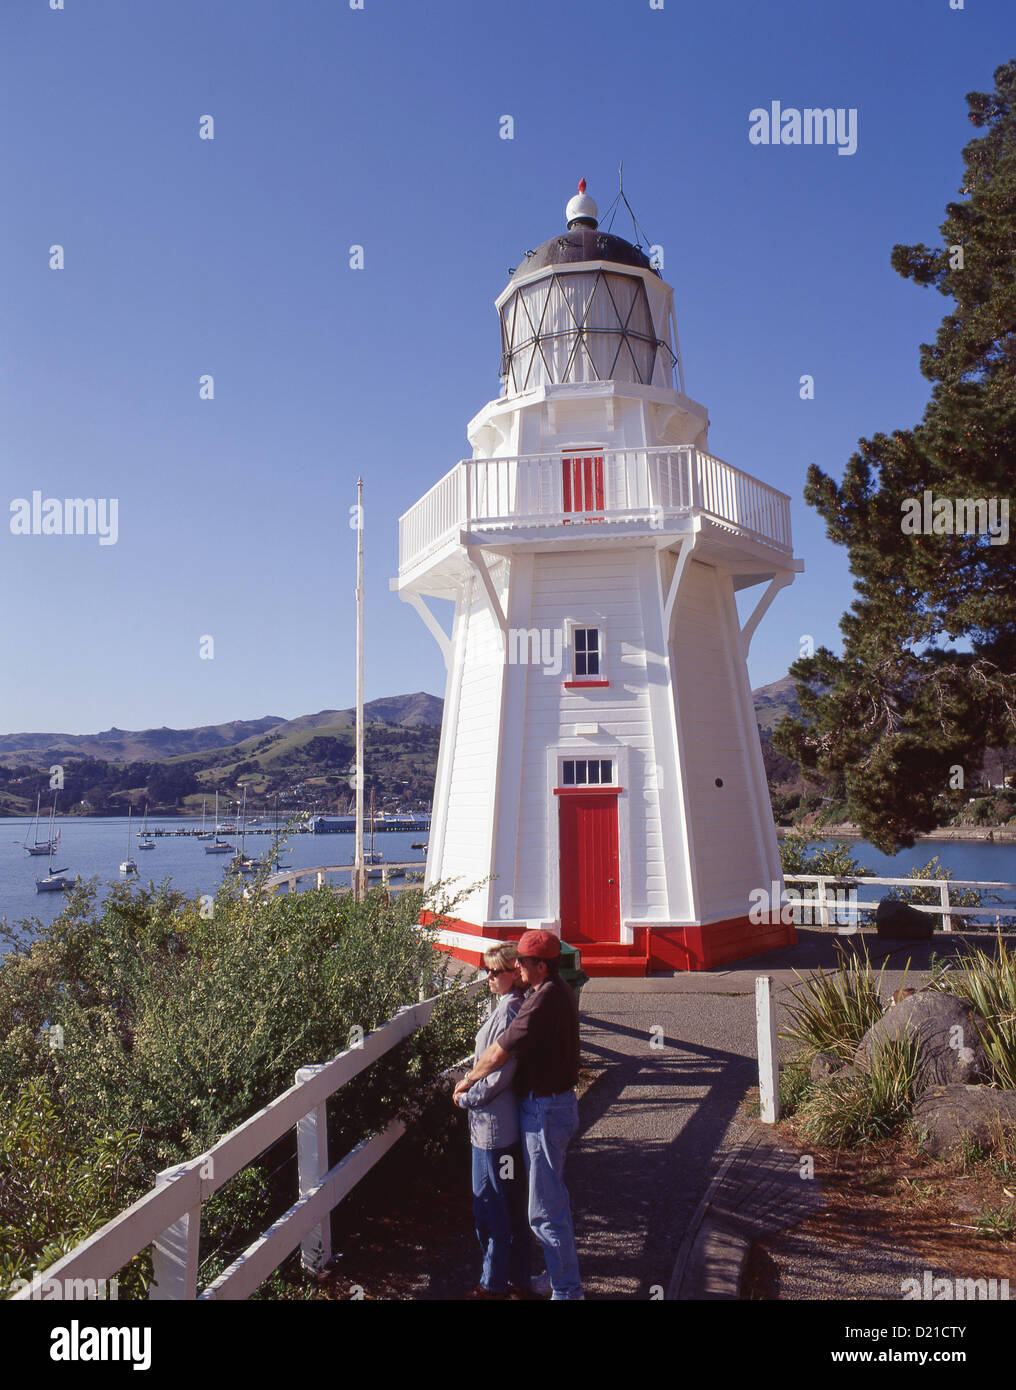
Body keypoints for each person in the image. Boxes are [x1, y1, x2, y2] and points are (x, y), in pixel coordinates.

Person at [454, 930, 582, 1300]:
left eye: (522, 962)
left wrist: (468, 1083)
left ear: (539, 965)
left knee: (544, 1210)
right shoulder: (551, 992)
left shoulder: (541, 1001)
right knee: (546, 1202)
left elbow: (499, 1056)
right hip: (548, 1106)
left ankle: (567, 1292)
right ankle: (560, 1282)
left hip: (545, 1109)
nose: (516, 967)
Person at [454, 942, 530, 1299]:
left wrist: (467, 1095)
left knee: (491, 1205)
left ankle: (493, 1284)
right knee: (506, 1204)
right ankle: (516, 1277)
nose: (488, 977)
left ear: (513, 973)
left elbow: (502, 1072)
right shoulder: (509, 1007)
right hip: (494, 1129)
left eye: (494, 972)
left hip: (494, 1132)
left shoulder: (510, 1011)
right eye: (486, 970)